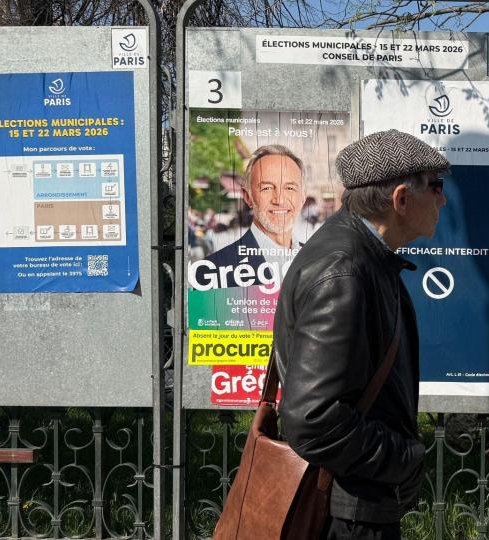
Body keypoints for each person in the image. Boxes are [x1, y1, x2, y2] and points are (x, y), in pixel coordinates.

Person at [272, 130, 449, 540]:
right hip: (345, 514)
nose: (442, 199)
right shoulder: (346, 271)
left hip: (353, 501)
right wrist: (404, 457)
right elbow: (312, 419)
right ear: (400, 199)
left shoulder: (362, 258)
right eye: (436, 186)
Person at [191, 144, 306, 289]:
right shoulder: (211, 271)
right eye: (267, 188)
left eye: (290, 188)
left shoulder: (323, 262)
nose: (280, 200)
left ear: (302, 198)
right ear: (248, 197)